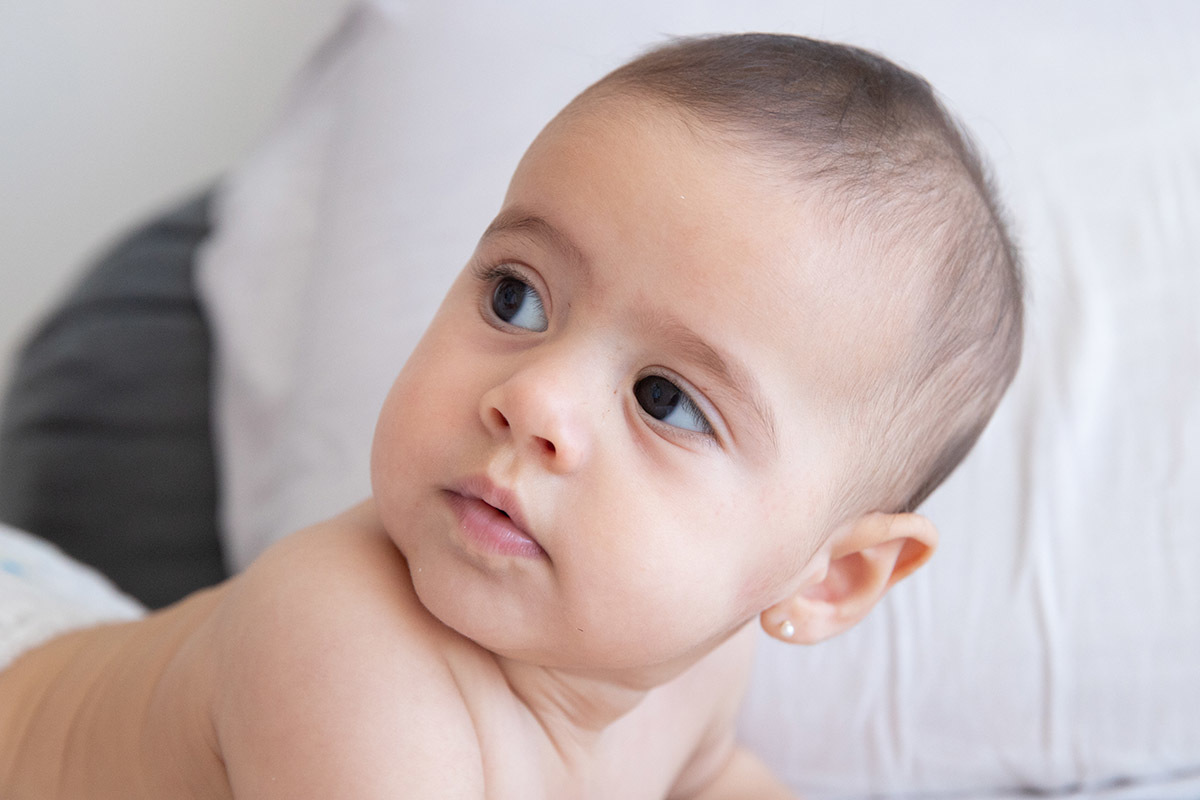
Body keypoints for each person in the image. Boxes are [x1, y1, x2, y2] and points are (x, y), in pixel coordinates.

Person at [0, 32, 1022, 799]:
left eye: (665, 400)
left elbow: (713, 776)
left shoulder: (697, 665)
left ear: (828, 576)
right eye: (516, 298)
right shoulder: (345, 656)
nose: (532, 397)